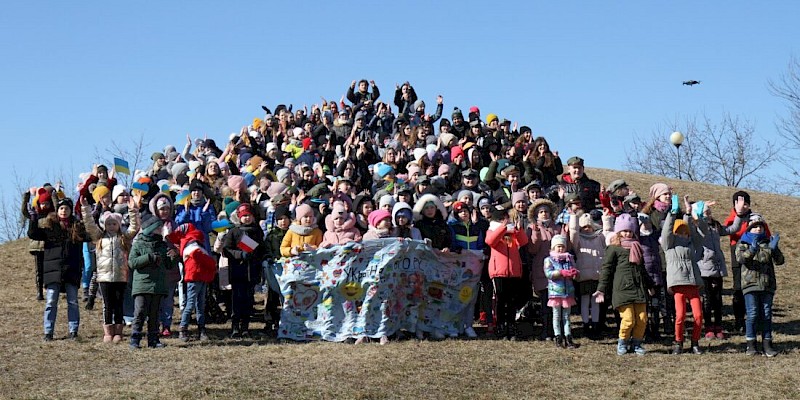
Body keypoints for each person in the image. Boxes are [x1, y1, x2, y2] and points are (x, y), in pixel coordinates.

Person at [27, 197, 91, 341]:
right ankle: (48, 332)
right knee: (51, 301)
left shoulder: (77, 228)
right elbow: (33, 234)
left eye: (67, 208)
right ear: (57, 210)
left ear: (70, 211)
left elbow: (91, 235)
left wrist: (89, 214)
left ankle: (73, 331)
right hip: (52, 271)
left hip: (72, 270)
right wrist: (33, 218)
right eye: (61, 208)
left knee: (73, 302)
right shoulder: (50, 227)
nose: (64, 211)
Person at [81, 193, 141, 343]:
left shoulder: (124, 238)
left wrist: (133, 210)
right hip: (104, 277)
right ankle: (108, 331)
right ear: (104, 225)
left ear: (119, 225)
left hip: (120, 276)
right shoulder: (99, 237)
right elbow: (89, 225)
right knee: (108, 305)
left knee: (119, 304)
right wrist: (85, 209)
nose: (111, 226)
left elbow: (135, 227)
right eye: (109, 224)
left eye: (114, 224)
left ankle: (118, 332)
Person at [594, 213, 655, 356]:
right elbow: (606, 269)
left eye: (630, 231)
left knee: (642, 319)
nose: (627, 233)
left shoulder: (637, 246)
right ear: (618, 232)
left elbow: (642, 269)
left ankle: (637, 343)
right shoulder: (613, 248)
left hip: (639, 288)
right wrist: (601, 289)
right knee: (628, 319)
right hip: (622, 289)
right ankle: (623, 342)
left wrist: (650, 285)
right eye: (624, 231)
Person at [696, 196, 744, 340]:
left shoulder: (716, 227)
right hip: (704, 268)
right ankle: (708, 327)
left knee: (718, 300)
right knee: (707, 300)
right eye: (706, 213)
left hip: (717, 268)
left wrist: (738, 213)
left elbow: (733, 229)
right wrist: (699, 211)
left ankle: (718, 326)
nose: (709, 215)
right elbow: (698, 223)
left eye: (710, 212)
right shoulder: (698, 228)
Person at [662, 195, 705, 355]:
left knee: (698, 317)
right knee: (679, 316)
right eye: (679, 232)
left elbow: (699, 234)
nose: (683, 235)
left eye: (685, 232)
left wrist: (692, 216)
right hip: (678, 285)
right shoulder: (669, 246)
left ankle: (695, 342)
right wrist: (672, 214)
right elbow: (666, 231)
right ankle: (678, 342)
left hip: (693, 284)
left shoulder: (691, 245)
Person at [736, 214, 783, 357]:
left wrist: (775, 250)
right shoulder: (743, 243)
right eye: (754, 227)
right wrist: (752, 250)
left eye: (760, 226)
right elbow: (740, 258)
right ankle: (751, 344)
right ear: (749, 228)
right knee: (752, 313)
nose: (757, 229)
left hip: (767, 285)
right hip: (750, 285)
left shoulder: (768, 243)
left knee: (767, 314)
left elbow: (780, 261)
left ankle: (767, 344)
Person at [128, 214, 177, 349]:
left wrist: (174, 257)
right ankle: (135, 339)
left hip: (158, 285)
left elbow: (168, 265)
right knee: (140, 312)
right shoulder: (138, 244)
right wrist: (149, 257)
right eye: (158, 227)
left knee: (155, 314)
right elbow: (132, 263)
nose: (161, 229)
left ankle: (153, 340)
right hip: (142, 285)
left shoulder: (162, 245)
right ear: (151, 228)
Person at [167, 223, 217, 342]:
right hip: (197, 277)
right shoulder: (194, 243)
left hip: (195, 276)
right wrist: (212, 263)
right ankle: (185, 329)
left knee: (198, 305)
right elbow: (200, 256)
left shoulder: (186, 243)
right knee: (193, 304)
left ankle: (198, 329)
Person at [222, 204, 265, 339]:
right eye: (244, 216)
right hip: (237, 271)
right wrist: (240, 255)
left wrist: (258, 256)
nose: (246, 218)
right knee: (237, 300)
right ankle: (235, 326)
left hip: (252, 271)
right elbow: (226, 250)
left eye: (249, 215)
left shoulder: (257, 231)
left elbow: (261, 249)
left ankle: (245, 327)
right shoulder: (234, 232)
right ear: (239, 218)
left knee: (248, 300)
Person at [485, 206, 528, 340]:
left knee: (512, 301)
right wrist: (503, 228)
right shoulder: (493, 229)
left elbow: (524, 241)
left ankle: (511, 325)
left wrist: (519, 229)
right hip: (499, 271)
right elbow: (490, 241)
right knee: (500, 299)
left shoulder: (513, 232)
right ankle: (500, 326)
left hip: (513, 271)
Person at [568, 211, 605, 340]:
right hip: (583, 276)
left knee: (596, 302)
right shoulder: (578, 241)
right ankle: (585, 323)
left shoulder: (599, 238)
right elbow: (572, 233)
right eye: (584, 227)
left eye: (589, 226)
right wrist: (574, 218)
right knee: (584, 301)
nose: (587, 229)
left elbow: (608, 231)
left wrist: (606, 218)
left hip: (597, 275)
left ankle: (595, 323)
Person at [544, 235, 579, 349]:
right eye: (558, 246)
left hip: (567, 292)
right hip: (556, 293)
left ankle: (568, 337)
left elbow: (574, 271)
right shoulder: (549, 260)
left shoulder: (569, 258)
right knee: (556, 316)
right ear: (553, 247)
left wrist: (574, 272)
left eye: (562, 247)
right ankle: (558, 336)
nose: (560, 249)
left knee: (567, 316)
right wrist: (561, 272)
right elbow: (549, 274)